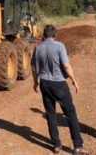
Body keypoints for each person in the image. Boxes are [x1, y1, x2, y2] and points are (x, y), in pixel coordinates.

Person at [31, 24, 90, 155]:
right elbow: (66, 66)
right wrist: (74, 80)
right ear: (55, 35)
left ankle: (56, 145)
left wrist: (35, 83)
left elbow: (34, 68)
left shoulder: (37, 48)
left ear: (43, 35)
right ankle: (78, 146)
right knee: (70, 114)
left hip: (44, 83)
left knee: (50, 114)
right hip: (59, 84)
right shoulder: (59, 46)